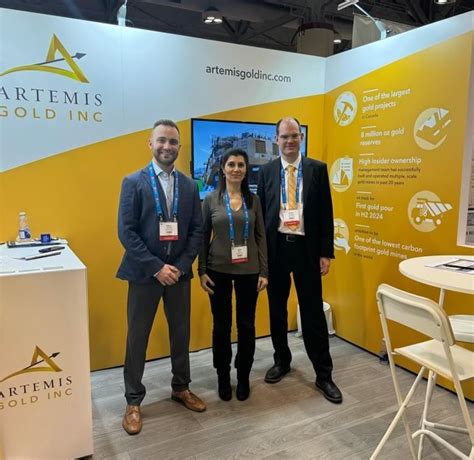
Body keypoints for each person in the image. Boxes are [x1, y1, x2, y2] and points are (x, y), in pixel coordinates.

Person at [117, 119, 206, 436]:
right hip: (145, 274)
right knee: (137, 337)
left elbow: (197, 230)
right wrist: (157, 267)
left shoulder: (189, 185)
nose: (167, 146)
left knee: (181, 333)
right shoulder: (133, 182)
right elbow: (126, 232)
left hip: (178, 275)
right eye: (161, 140)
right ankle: (133, 401)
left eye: (172, 142)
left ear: (179, 147)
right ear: (150, 144)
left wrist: (180, 266)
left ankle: (181, 387)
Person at [257, 117, 342, 404]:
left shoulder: (317, 169)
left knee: (313, 312)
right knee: (277, 310)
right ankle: (282, 360)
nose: (290, 141)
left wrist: (326, 253)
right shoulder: (267, 172)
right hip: (276, 250)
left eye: (294, 136)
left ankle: (324, 374)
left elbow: (326, 213)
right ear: (276, 140)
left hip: (307, 250)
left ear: (301, 138)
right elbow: (260, 217)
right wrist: (261, 256)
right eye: (284, 136)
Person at [199, 148, 268, 402]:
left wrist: (264, 271)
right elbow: (202, 236)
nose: (236, 169)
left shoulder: (254, 200)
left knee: (247, 326)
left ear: (246, 169)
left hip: (249, 271)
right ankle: (222, 375)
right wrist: (201, 270)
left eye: (240, 165)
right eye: (231, 164)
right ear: (223, 168)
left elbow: (261, 237)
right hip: (217, 270)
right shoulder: (210, 199)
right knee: (221, 326)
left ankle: (244, 375)